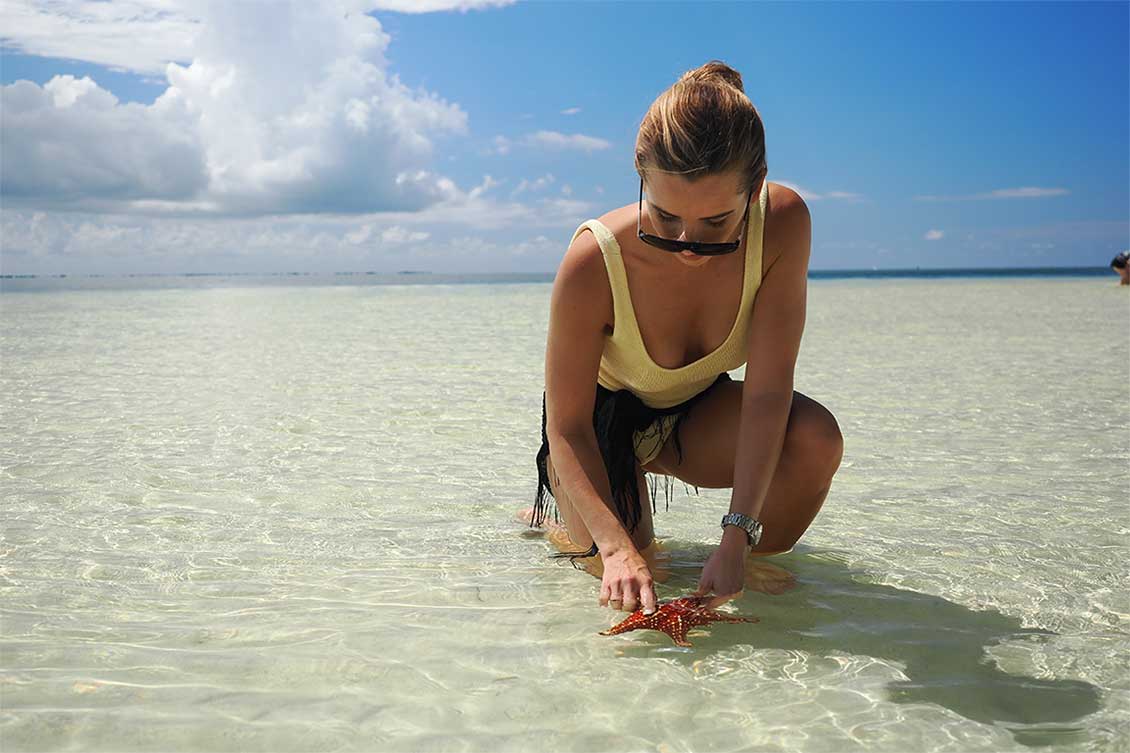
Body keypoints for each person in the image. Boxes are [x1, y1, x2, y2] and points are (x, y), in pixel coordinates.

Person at [525, 61, 843, 617]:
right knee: (637, 569)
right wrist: (619, 549)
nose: (689, 244)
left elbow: (768, 393)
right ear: (640, 175)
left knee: (814, 437)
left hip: (696, 413)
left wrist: (737, 540)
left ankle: (739, 576)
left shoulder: (784, 224)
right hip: (596, 430)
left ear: (758, 181)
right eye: (665, 217)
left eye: (717, 223)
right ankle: (555, 522)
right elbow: (567, 424)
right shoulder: (593, 261)